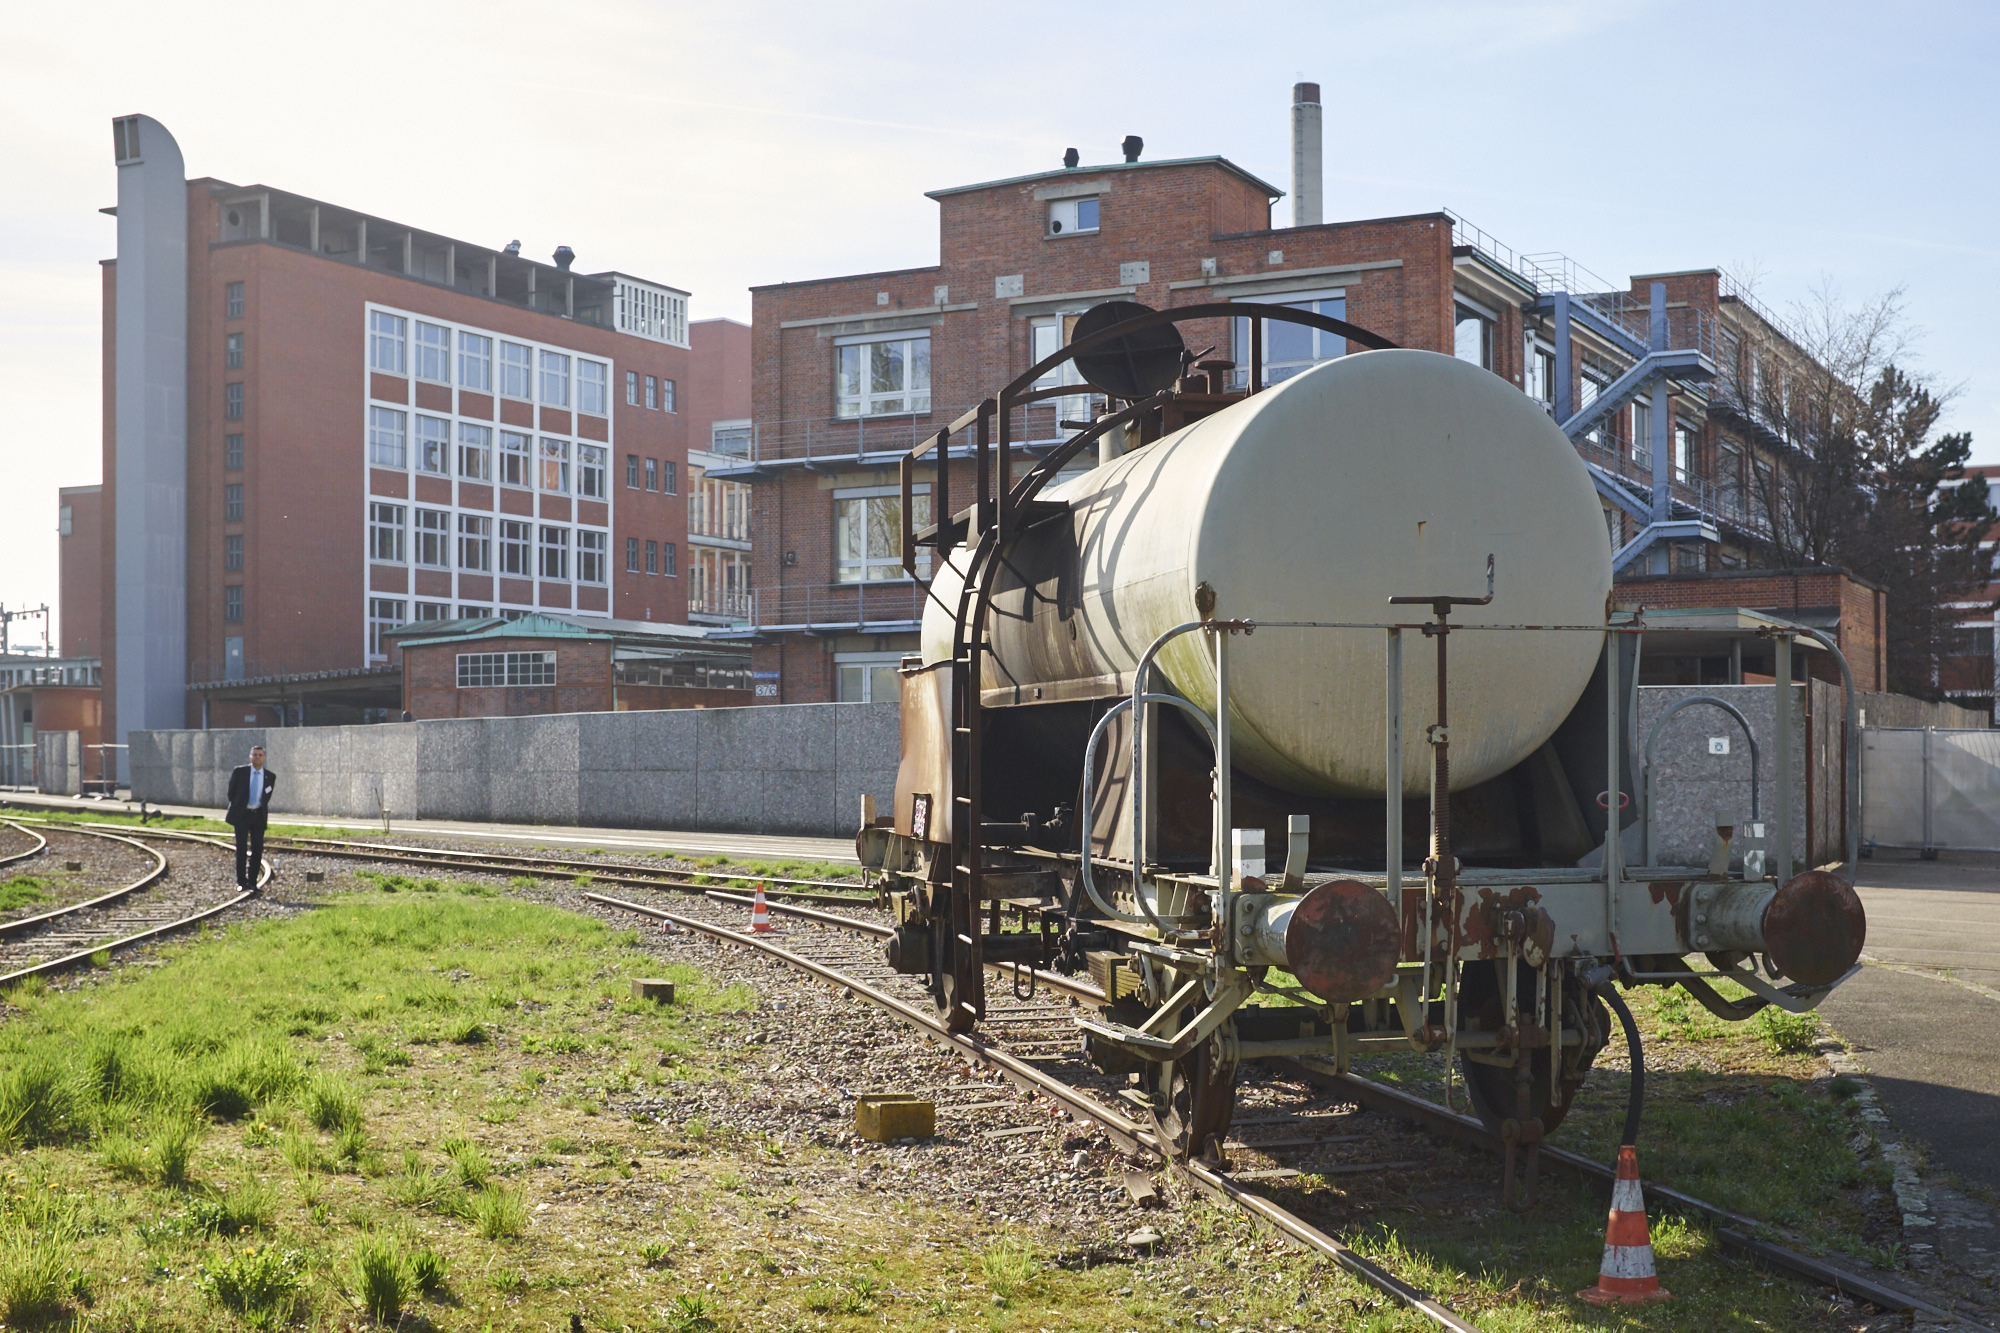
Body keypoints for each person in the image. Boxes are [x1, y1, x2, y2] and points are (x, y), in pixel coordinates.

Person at [224, 745, 277, 891]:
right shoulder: (240, 772)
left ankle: (253, 882)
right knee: (241, 848)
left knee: (257, 848)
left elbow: (266, 797)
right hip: (242, 815)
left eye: (260, 755)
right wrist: (239, 805)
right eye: (255, 755)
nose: (257, 757)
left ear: (264, 758)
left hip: (258, 815)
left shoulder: (270, 776)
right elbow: (231, 793)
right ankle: (242, 881)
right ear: (250, 757)